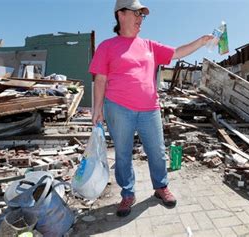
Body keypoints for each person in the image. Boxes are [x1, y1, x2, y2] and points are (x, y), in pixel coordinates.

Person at [89, 0, 213, 217]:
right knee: (123, 154)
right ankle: (128, 194)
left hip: (149, 109)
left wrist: (201, 41)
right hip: (118, 108)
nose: (140, 19)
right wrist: (97, 108)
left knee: (157, 151)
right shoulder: (107, 46)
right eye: (136, 13)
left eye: (142, 15)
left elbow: (176, 52)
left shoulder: (148, 45)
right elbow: (100, 79)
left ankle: (161, 187)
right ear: (121, 14)